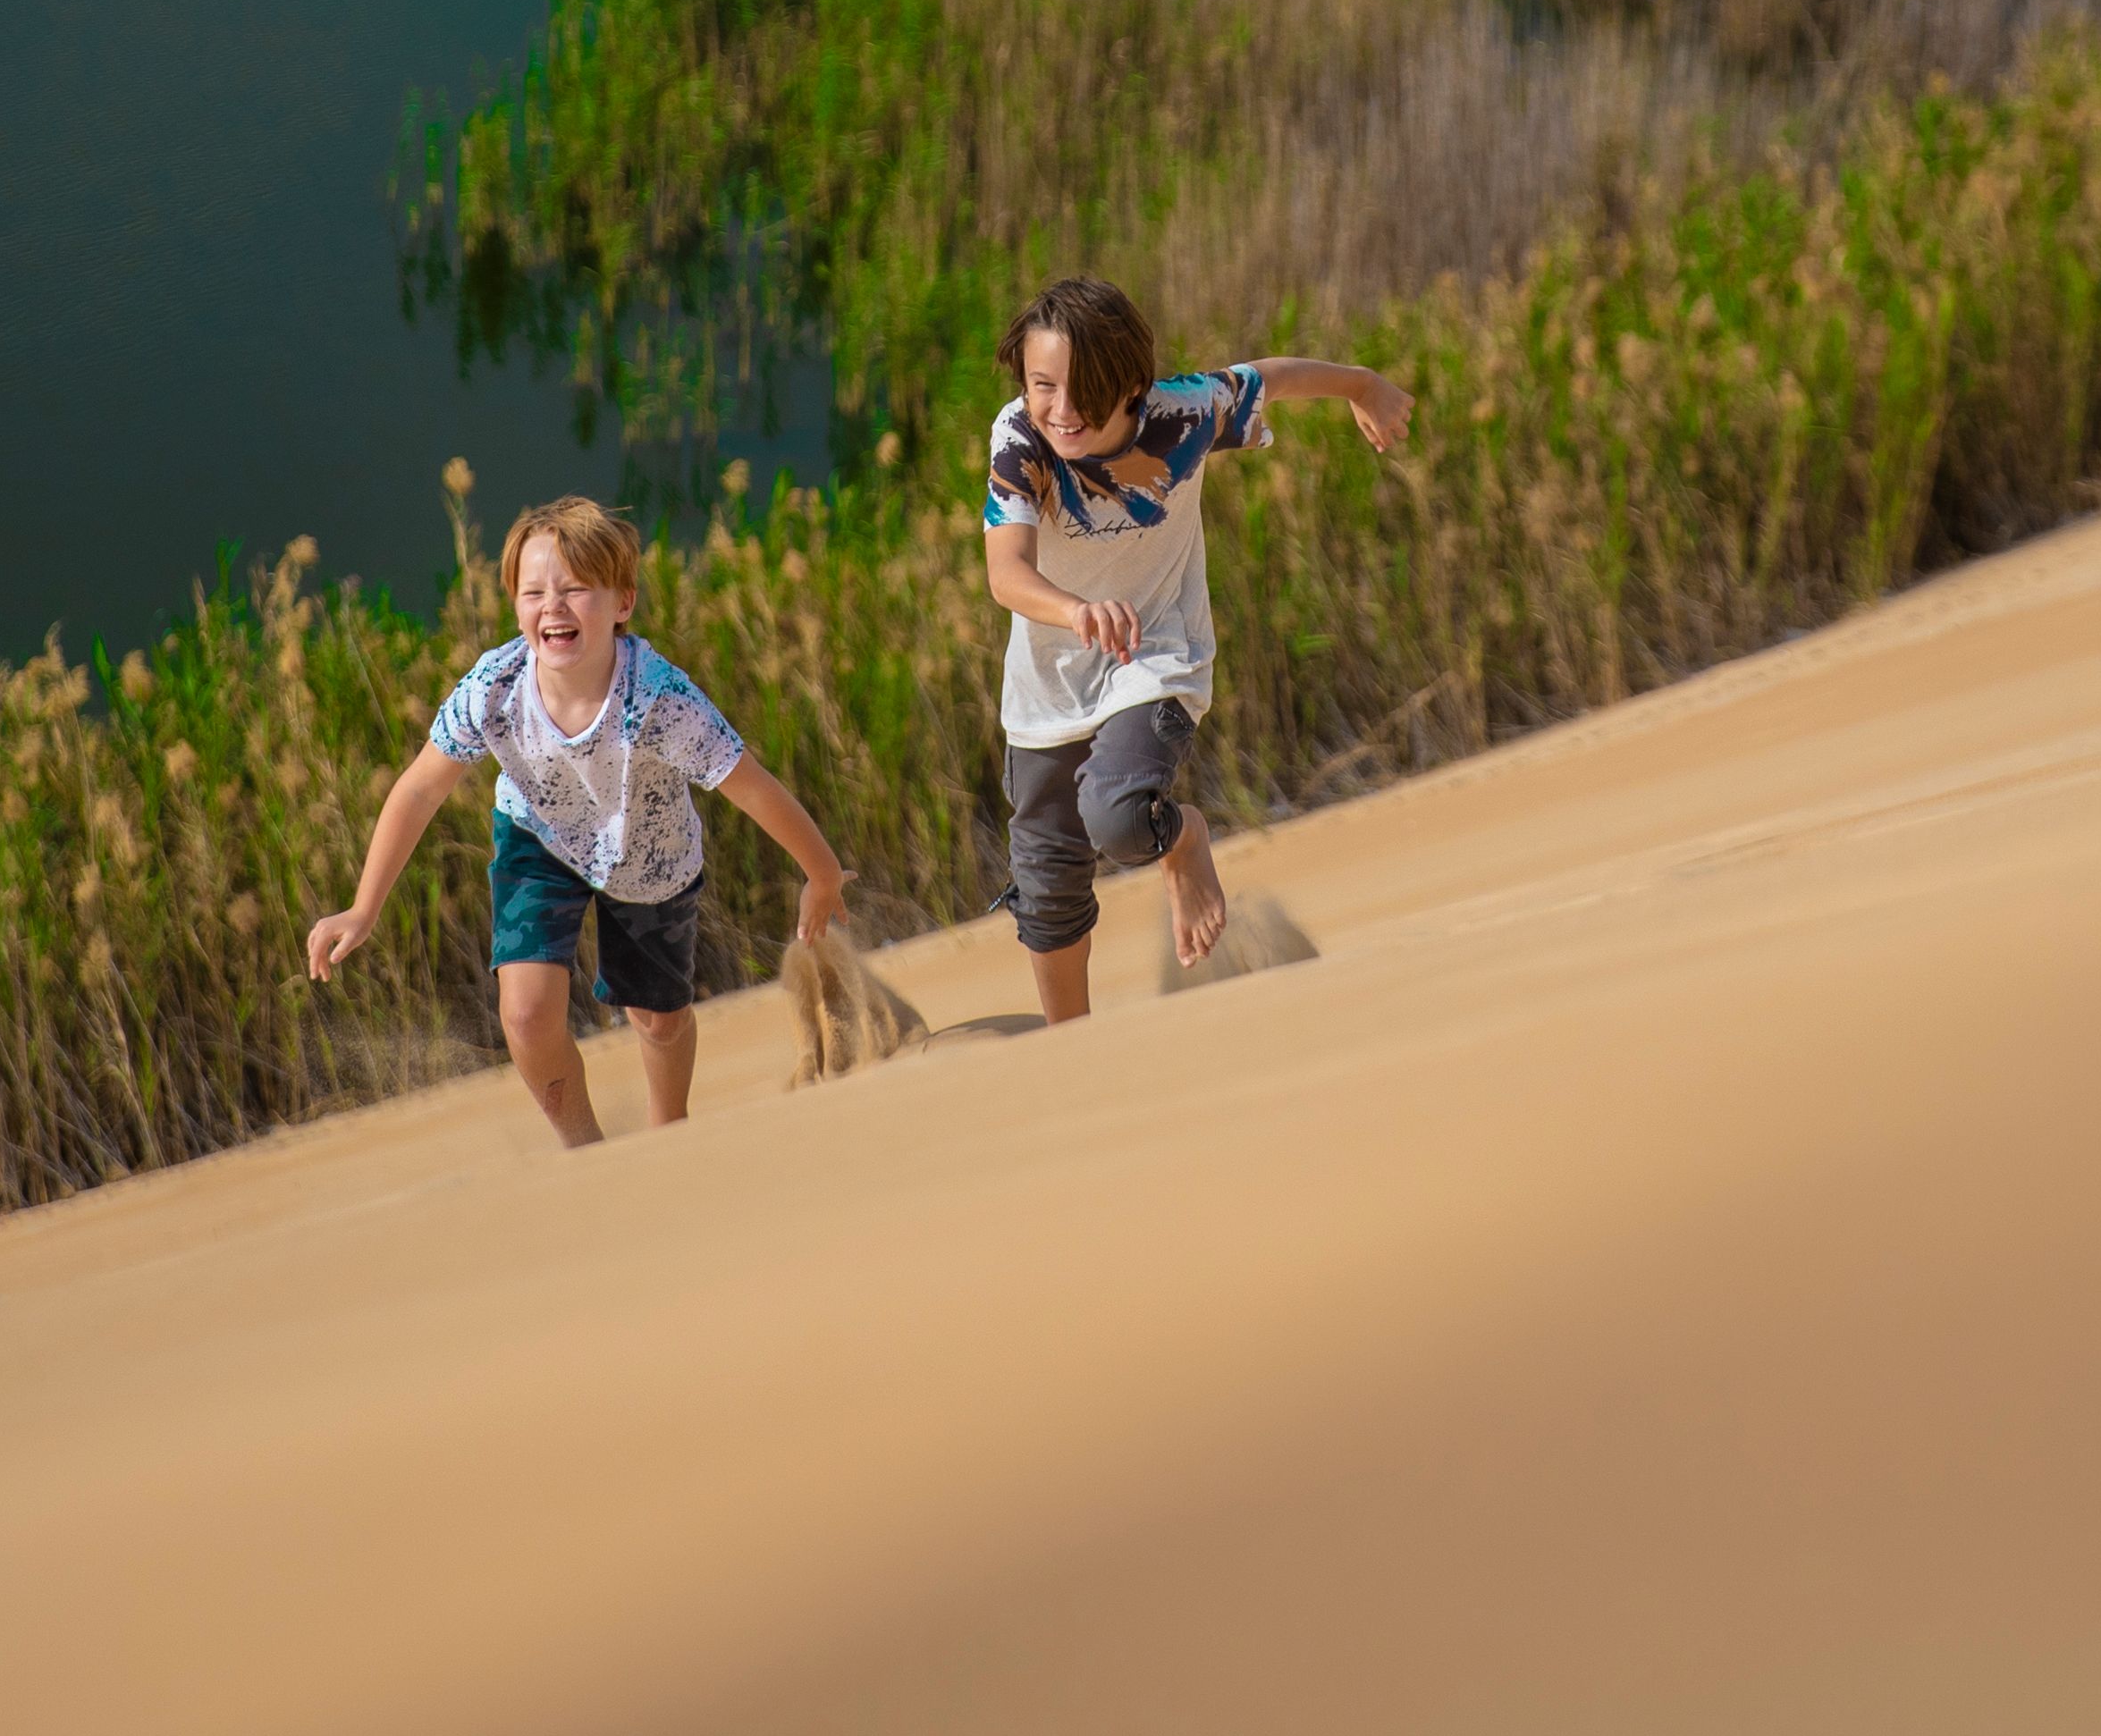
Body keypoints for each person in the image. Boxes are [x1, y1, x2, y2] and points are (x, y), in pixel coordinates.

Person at [306, 494, 849, 1148]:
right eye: (533, 592)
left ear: (623, 603)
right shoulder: (494, 688)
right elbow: (420, 789)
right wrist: (363, 909)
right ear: (515, 607)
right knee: (528, 1013)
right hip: (539, 837)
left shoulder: (661, 700)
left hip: (650, 855)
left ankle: (669, 1137)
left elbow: (755, 789)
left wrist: (821, 874)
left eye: (576, 590)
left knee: (657, 1018)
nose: (553, 607)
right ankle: (587, 1155)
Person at [981, 274, 1407, 1017]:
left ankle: (1182, 843)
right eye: (1043, 384)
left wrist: (1361, 385)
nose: (1062, 408)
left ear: (1133, 383)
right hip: (1045, 690)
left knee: (1117, 816)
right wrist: (1074, 609)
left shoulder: (1181, 413)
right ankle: (1069, 1052)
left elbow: (1269, 378)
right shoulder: (1020, 437)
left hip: (1154, 660)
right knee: (1047, 893)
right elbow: (1006, 573)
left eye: (1084, 387)